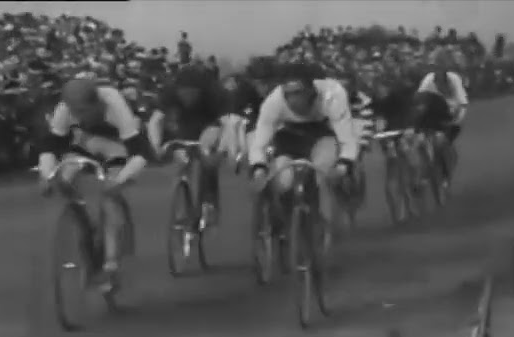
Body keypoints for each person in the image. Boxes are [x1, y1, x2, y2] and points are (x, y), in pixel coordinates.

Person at [37, 77, 153, 293]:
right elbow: (50, 145)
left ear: (96, 104)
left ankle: (110, 261)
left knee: (110, 195)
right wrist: (47, 175)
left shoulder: (114, 104)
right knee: (63, 177)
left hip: (119, 142)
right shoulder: (65, 108)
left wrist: (120, 180)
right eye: (75, 112)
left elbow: (140, 152)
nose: (78, 116)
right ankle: (82, 222)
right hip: (87, 140)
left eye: (83, 112)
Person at [247, 62, 359, 253]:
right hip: (288, 140)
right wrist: (258, 168)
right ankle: (282, 220)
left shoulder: (333, 94)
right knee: (283, 181)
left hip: (322, 136)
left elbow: (347, 138)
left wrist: (343, 166)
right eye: (288, 94)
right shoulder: (273, 102)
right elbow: (259, 142)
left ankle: (324, 222)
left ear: (310, 89)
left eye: (298, 93)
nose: (293, 100)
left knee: (323, 171)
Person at [147, 64, 230, 222]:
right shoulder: (170, 93)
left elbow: (227, 124)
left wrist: (221, 149)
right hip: (186, 123)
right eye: (183, 93)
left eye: (192, 94)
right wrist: (156, 146)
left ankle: (210, 196)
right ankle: (181, 201)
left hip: (209, 121)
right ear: (177, 90)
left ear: (200, 90)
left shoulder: (213, 94)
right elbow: (155, 121)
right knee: (181, 157)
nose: (187, 97)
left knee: (205, 149)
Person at [411, 56, 469, 186]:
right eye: (433, 68)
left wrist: (457, 120)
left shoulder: (454, 79)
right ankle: (424, 172)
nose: (436, 71)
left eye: (439, 68)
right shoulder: (428, 79)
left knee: (441, 143)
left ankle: (446, 175)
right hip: (434, 112)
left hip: (451, 114)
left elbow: (462, 103)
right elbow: (419, 97)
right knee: (421, 142)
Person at [220, 73, 265, 171]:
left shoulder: (231, 93)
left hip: (235, 118)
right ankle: (241, 158)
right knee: (242, 141)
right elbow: (256, 105)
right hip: (243, 119)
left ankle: (234, 158)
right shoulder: (249, 89)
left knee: (235, 141)